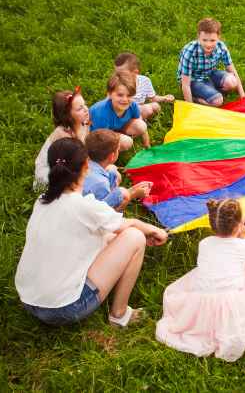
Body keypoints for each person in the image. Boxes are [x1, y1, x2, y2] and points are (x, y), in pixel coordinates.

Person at [16, 138, 168, 327]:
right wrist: (156, 230)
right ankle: (119, 315)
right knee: (135, 237)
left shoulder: (42, 201)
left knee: (110, 236)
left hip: (28, 298)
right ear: (86, 166)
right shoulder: (85, 206)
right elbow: (126, 225)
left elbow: (106, 230)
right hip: (64, 308)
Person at [156, 199, 245, 362]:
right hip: (229, 305)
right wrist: (243, 236)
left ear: (212, 225)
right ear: (239, 225)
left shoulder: (205, 243)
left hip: (200, 299)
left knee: (203, 271)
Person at [177, 17, 245, 106]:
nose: (208, 44)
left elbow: (232, 70)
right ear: (198, 37)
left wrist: (243, 96)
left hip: (209, 74)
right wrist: (190, 106)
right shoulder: (190, 51)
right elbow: (185, 83)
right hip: (192, 80)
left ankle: (211, 90)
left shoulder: (221, 47)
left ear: (218, 37)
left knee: (232, 82)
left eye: (212, 40)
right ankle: (196, 98)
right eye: (204, 40)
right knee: (218, 101)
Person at [33, 88, 91, 191]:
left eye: (84, 104)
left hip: (70, 163)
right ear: (68, 116)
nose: (86, 109)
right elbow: (69, 163)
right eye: (79, 109)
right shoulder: (63, 135)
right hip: (52, 170)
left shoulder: (83, 123)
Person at [83, 129, 152, 211]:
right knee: (121, 191)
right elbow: (106, 212)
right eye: (118, 150)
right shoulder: (101, 183)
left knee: (113, 172)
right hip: (92, 215)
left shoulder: (83, 164)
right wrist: (132, 194)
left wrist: (132, 190)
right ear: (112, 156)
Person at [89, 71, 150, 150]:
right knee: (126, 142)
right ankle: (114, 150)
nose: (125, 99)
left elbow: (142, 126)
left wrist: (147, 145)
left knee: (141, 125)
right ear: (109, 95)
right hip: (97, 135)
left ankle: (120, 135)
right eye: (120, 95)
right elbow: (99, 140)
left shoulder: (133, 105)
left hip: (115, 128)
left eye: (129, 95)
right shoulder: (101, 113)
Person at [114, 52, 175, 119]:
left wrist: (164, 98)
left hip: (141, 109)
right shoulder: (117, 83)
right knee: (143, 110)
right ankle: (133, 122)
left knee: (156, 106)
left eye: (122, 73)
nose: (118, 76)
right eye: (116, 73)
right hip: (124, 110)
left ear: (135, 72)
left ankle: (136, 120)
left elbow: (152, 98)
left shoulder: (145, 81)